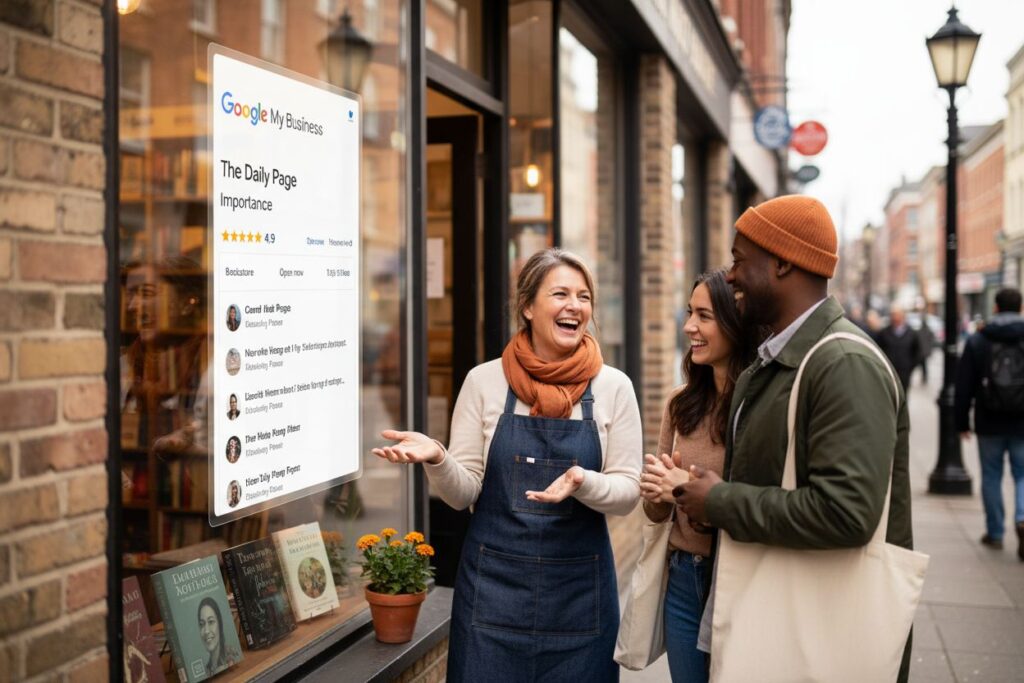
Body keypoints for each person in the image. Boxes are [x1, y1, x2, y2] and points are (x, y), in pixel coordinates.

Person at [372, 248, 642, 682]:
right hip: (492, 597)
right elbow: (463, 495)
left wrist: (583, 481)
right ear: (527, 307)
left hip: (580, 600)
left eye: (584, 296)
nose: (575, 305)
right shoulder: (484, 381)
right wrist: (439, 458)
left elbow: (628, 493)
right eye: (560, 294)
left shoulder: (613, 388)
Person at [675, 195, 914, 681]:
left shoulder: (843, 363)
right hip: (772, 620)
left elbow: (846, 513)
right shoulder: (777, 360)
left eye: (741, 261)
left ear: (783, 262)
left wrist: (719, 500)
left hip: (818, 634)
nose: (733, 277)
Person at [638, 269, 758, 682]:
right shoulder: (680, 402)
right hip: (684, 578)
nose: (689, 326)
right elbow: (655, 511)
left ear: (734, 323)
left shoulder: (758, 407)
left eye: (704, 316)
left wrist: (684, 490)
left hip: (738, 578)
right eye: (690, 313)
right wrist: (656, 490)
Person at [954, 287, 1024, 561]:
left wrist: (961, 422)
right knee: (1022, 473)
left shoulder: (979, 339)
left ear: (995, 308)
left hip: (988, 420)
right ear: (1020, 308)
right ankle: (1022, 518)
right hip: (1022, 422)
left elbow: (963, 385)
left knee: (992, 476)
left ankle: (995, 532)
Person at [877, 305, 922, 390]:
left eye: (897, 315)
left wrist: (910, 367)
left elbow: (917, 352)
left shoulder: (912, 333)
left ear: (903, 316)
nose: (894, 317)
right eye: (893, 315)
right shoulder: (884, 332)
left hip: (904, 372)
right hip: (888, 372)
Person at [197, 597, 239, 675]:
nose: (206, 631)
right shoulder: (205, 670)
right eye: (202, 624)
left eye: (211, 622)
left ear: (220, 624)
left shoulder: (233, 656)